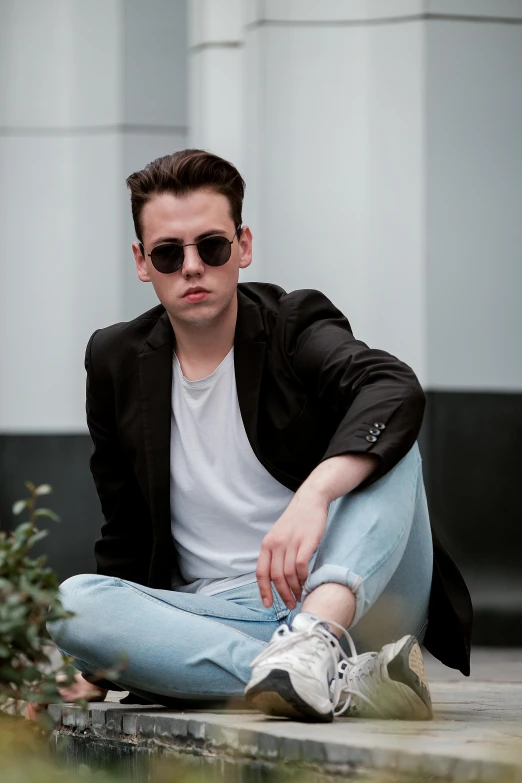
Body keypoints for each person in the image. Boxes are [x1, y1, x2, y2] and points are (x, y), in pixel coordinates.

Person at [47, 149, 472, 723]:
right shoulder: (115, 359)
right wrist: (99, 659)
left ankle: (316, 644)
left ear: (243, 246)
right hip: (216, 611)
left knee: (391, 445)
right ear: (142, 263)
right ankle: (344, 681)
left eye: (212, 246)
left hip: (354, 589)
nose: (192, 267)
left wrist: (315, 495)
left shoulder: (292, 324)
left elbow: (393, 388)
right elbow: (124, 532)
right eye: (169, 254)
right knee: (72, 608)